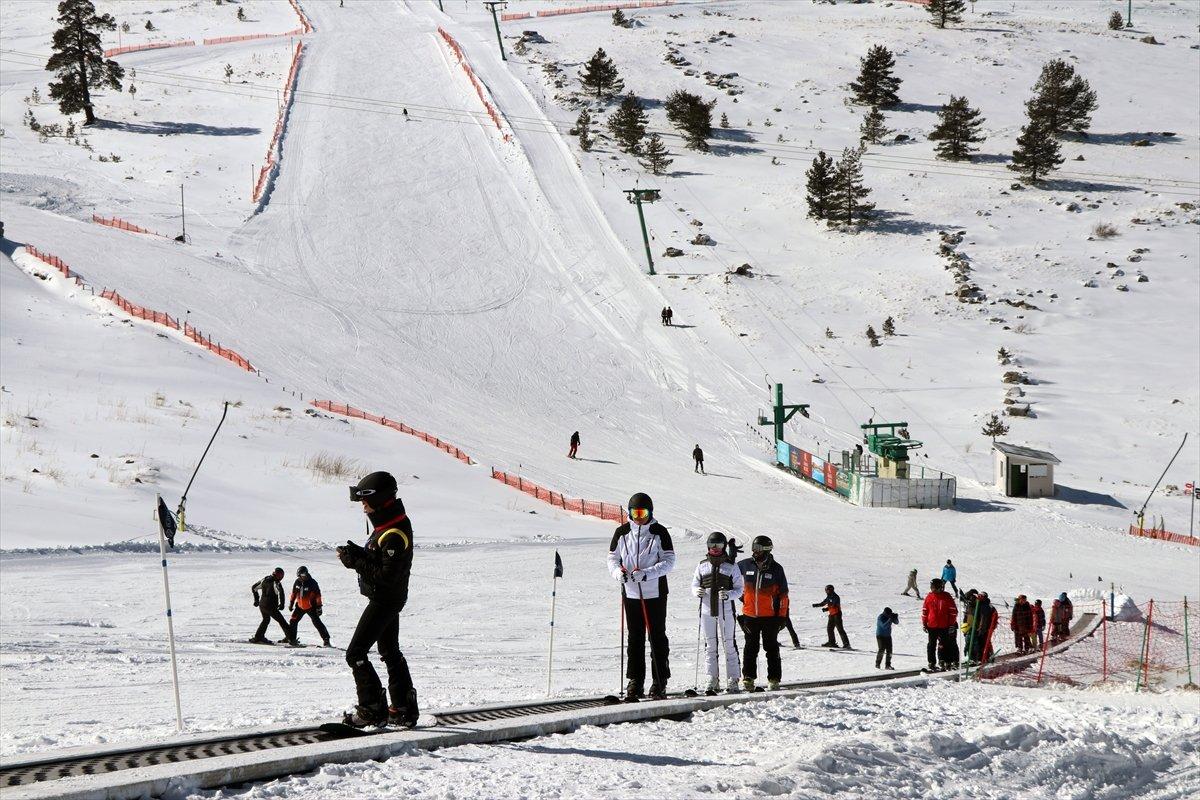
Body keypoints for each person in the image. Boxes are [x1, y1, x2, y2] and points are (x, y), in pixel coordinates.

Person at [337, 471, 419, 728]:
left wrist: (355, 562)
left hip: (385, 600)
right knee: (389, 651)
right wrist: (359, 553)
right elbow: (382, 560)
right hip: (388, 598)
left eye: (364, 501)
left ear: (380, 500)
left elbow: (386, 576)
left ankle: (372, 709)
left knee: (355, 653)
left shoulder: (394, 532)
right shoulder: (389, 525)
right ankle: (403, 708)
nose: (363, 507)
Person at [608, 492, 675, 700]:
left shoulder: (659, 532)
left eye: (642, 512)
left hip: (654, 593)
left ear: (650, 512)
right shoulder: (621, 532)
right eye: (635, 512)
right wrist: (618, 572)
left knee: (656, 637)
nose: (639, 517)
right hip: (631, 593)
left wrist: (647, 574)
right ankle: (635, 681)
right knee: (634, 638)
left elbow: (669, 561)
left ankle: (659, 680)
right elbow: (612, 558)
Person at [692, 532, 744, 694]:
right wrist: (697, 591)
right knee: (710, 645)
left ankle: (733, 678)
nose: (715, 549)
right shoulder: (702, 565)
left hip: (726, 610)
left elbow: (740, 589)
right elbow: (694, 584)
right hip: (707, 610)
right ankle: (712, 678)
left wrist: (729, 595)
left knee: (729, 643)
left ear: (724, 547)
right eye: (712, 546)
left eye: (719, 546)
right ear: (708, 546)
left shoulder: (731, 566)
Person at [737, 535, 789, 691]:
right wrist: (743, 597)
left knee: (771, 647)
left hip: (770, 617)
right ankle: (748, 678)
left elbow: (783, 595)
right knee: (750, 647)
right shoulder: (745, 565)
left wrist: (782, 616)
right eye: (753, 547)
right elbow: (729, 574)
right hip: (750, 616)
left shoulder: (776, 569)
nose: (754, 551)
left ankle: (774, 679)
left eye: (758, 548)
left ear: (767, 549)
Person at [250, 567, 296, 645]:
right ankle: (292, 640)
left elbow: (254, 587)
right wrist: (282, 604)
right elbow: (281, 592)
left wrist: (256, 600)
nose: (281, 578)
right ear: (278, 575)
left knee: (266, 620)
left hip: (262, 605)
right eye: (281, 576)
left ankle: (258, 637)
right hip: (270, 606)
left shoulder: (265, 579)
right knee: (282, 622)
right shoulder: (276, 582)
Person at [921, 578, 958, 671]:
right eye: (931, 587)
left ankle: (947, 661)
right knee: (931, 644)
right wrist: (924, 623)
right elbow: (925, 611)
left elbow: (953, 612)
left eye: (934, 587)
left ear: (939, 587)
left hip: (944, 626)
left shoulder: (946, 596)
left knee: (944, 644)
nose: (932, 589)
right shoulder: (929, 597)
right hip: (932, 625)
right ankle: (931, 662)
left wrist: (951, 624)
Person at [289, 566, 331, 647]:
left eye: (304, 574)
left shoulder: (312, 583)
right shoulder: (297, 582)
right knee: (293, 621)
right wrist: (291, 603)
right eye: (300, 575)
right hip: (300, 607)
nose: (302, 576)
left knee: (317, 623)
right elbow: (294, 593)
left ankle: (326, 639)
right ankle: (292, 638)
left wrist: (319, 607)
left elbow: (318, 595)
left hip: (311, 607)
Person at [813, 584, 851, 649]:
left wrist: (826, 609)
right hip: (832, 615)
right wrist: (816, 605)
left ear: (830, 590)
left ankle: (846, 644)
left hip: (837, 614)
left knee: (840, 629)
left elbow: (833, 605)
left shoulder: (836, 597)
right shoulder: (828, 597)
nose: (826, 591)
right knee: (829, 629)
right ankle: (831, 642)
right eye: (825, 590)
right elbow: (823, 603)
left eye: (826, 590)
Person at [968, 591, 997, 664]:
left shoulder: (986, 605)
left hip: (986, 627)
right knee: (978, 642)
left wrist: (982, 628)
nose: (979, 597)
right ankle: (979, 657)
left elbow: (984, 618)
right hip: (976, 627)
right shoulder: (977, 604)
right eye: (979, 596)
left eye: (982, 596)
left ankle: (987, 656)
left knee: (984, 642)